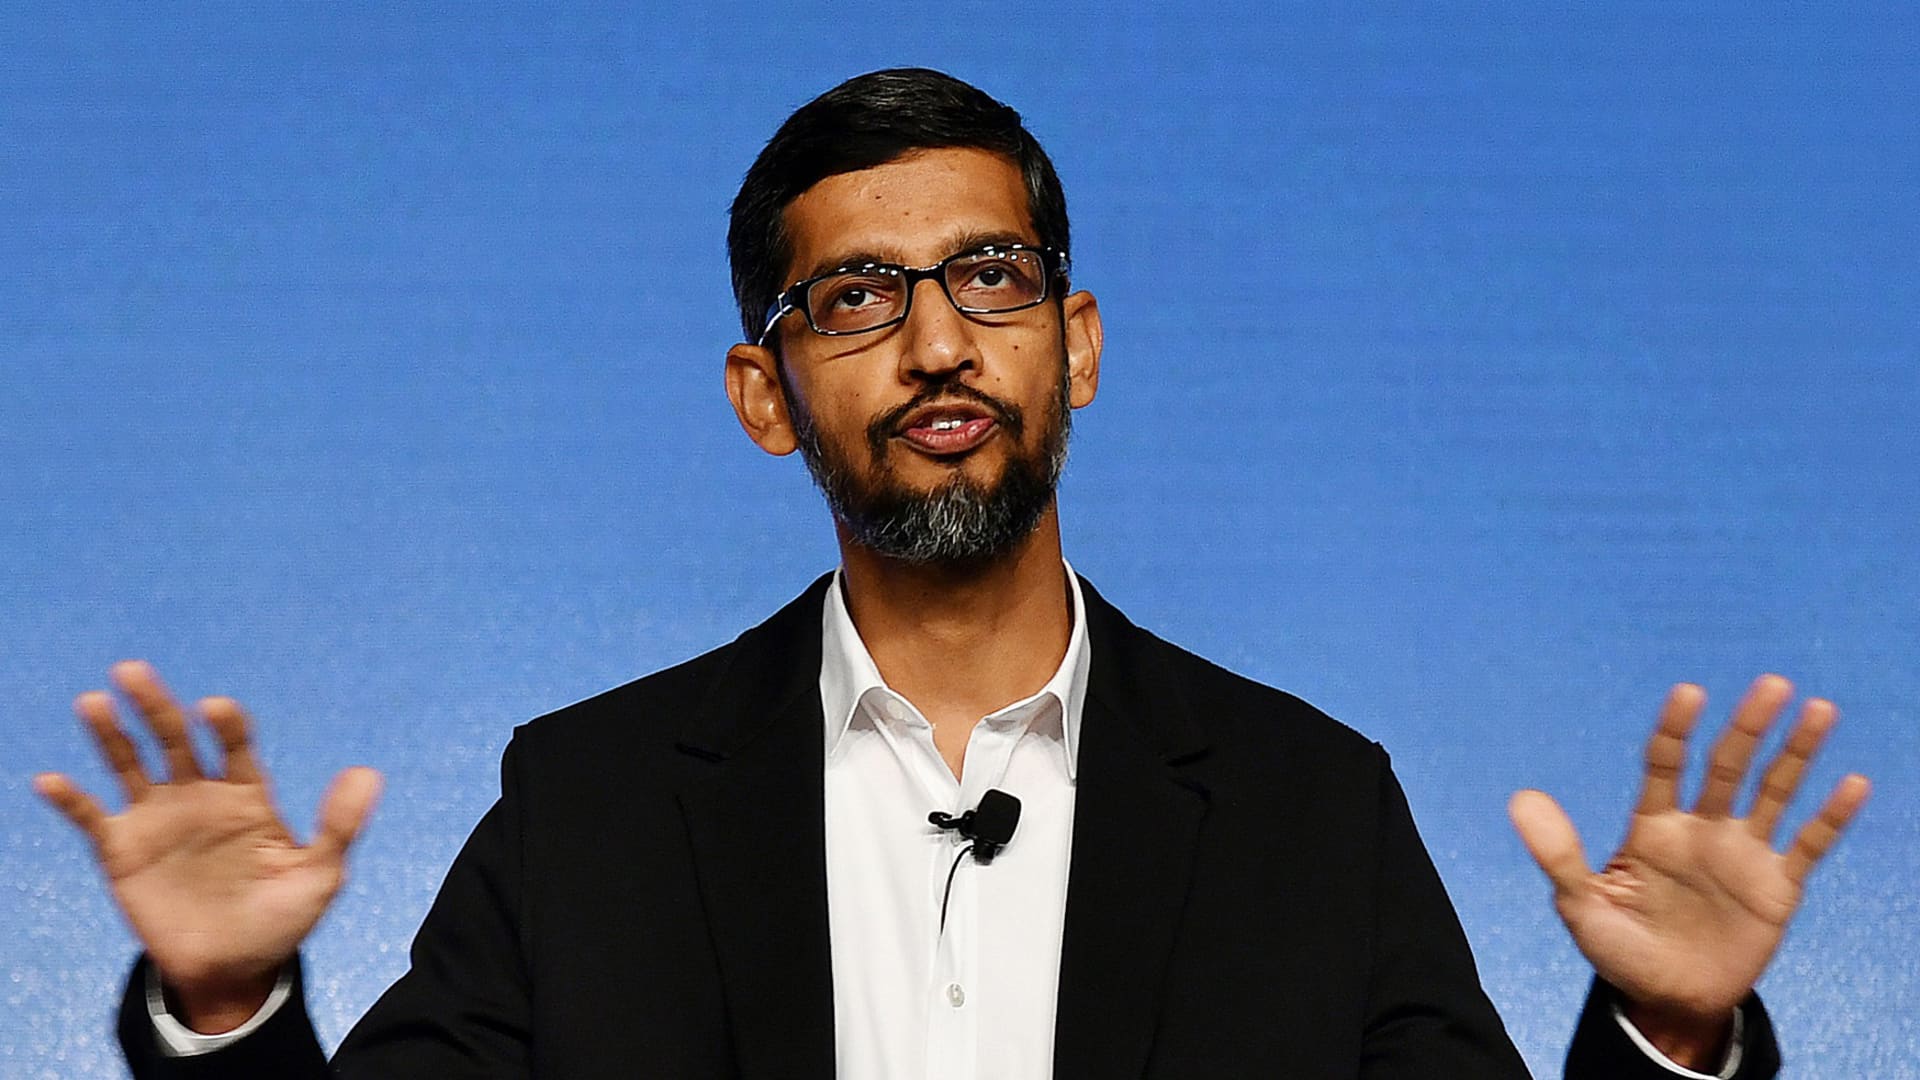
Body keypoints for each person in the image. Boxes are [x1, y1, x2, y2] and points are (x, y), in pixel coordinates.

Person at [36, 68, 1870, 1080]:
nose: (935, 342)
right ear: (765, 394)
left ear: (1077, 343)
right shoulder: (592, 805)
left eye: (990, 278)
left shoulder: (1309, 806)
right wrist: (227, 1020)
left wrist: (1669, 1036)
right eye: (855, 296)